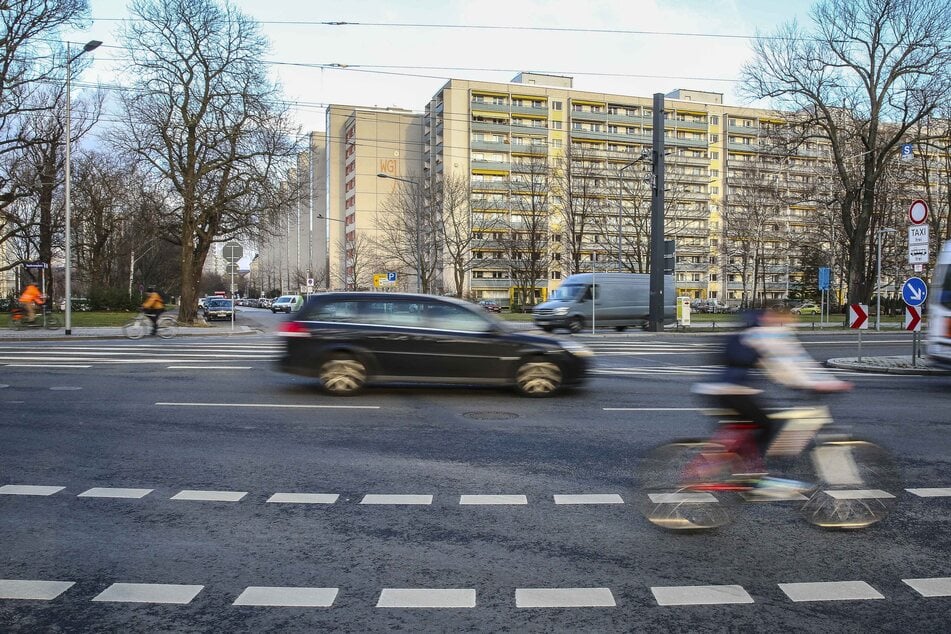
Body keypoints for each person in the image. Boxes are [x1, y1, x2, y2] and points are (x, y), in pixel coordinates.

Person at [692, 306, 851, 484]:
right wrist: (817, 384)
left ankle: (733, 465)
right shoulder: (767, 335)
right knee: (768, 425)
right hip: (733, 392)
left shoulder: (748, 333)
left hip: (715, 390)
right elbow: (789, 367)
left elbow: (788, 366)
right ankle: (750, 472)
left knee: (745, 426)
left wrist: (810, 382)